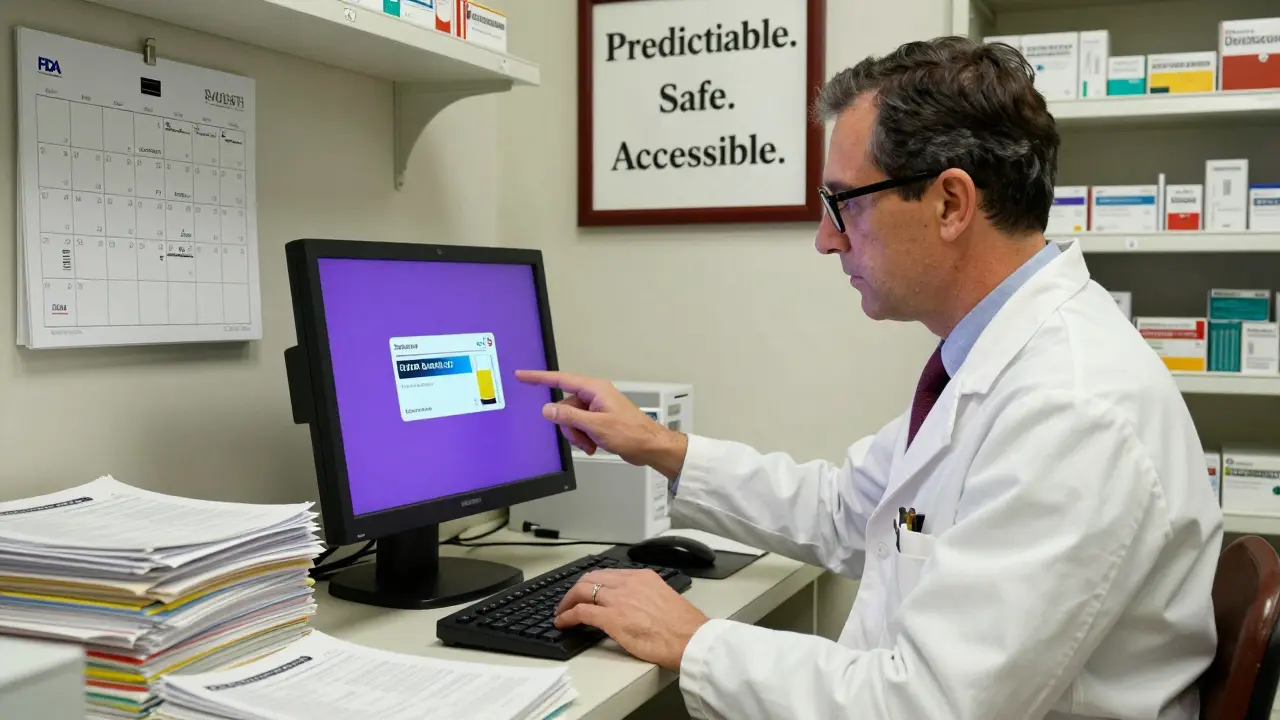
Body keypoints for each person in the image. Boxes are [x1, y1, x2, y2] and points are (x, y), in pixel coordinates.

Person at [517, 36, 1223, 720]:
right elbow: (851, 510)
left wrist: (696, 641)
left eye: (843, 203)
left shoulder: (1071, 406)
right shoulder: (995, 363)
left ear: (951, 204)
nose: (827, 239)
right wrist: (654, 444)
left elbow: (926, 707)